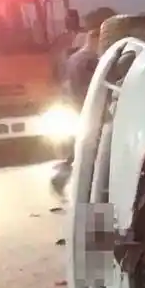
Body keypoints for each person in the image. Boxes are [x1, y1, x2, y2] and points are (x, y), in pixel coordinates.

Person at [50, 28, 100, 197]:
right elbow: (88, 90)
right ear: (94, 40)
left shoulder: (74, 58)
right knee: (90, 157)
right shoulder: (88, 61)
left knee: (80, 153)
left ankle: (63, 178)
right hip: (87, 112)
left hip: (77, 111)